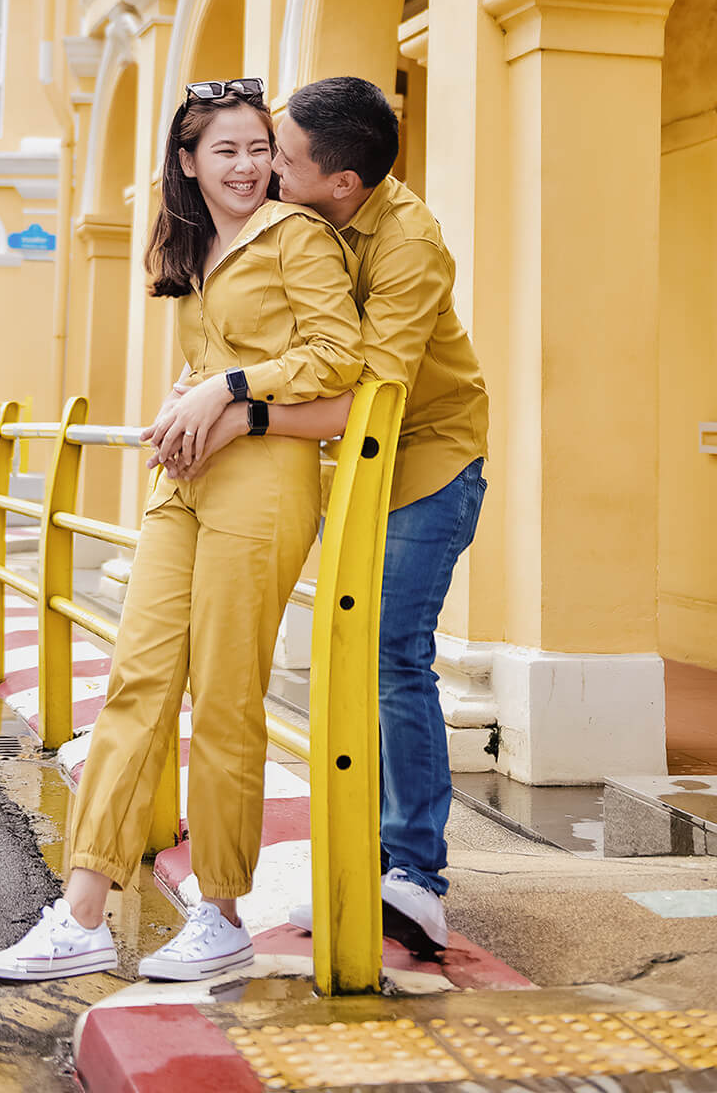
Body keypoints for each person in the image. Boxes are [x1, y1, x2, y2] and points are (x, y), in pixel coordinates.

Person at [0, 77, 364, 986]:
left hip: (263, 482)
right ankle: (81, 915)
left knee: (225, 692)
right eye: (226, 150)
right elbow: (207, 356)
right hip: (183, 482)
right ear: (188, 163)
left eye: (260, 148)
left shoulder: (296, 237)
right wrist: (185, 395)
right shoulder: (196, 248)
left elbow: (339, 356)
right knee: (137, 682)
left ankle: (221, 912)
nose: (249, 165)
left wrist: (227, 390)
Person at [150, 75, 487, 957]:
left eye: (281, 157)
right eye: (250, 150)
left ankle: (413, 876)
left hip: (426, 460)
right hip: (350, 466)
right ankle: (359, 859)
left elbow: (367, 393)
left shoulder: (407, 244)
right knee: (349, 653)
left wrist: (238, 408)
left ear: (341, 183)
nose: (264, 170)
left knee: (390, 651)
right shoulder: (302, 227)